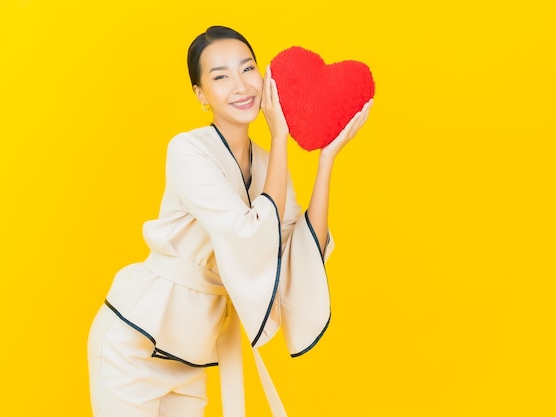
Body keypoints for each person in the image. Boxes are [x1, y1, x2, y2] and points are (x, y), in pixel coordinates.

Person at [87, 25, 373, 417]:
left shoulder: (271, 162)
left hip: (192, 352)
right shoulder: (186, 150)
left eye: (247, 69)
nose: (240, 86)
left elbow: (295, 252)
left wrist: (327, 160)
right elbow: (249, 233)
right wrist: (279, 139)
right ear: (201, 95)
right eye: (220, 77)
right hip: (134, 343)